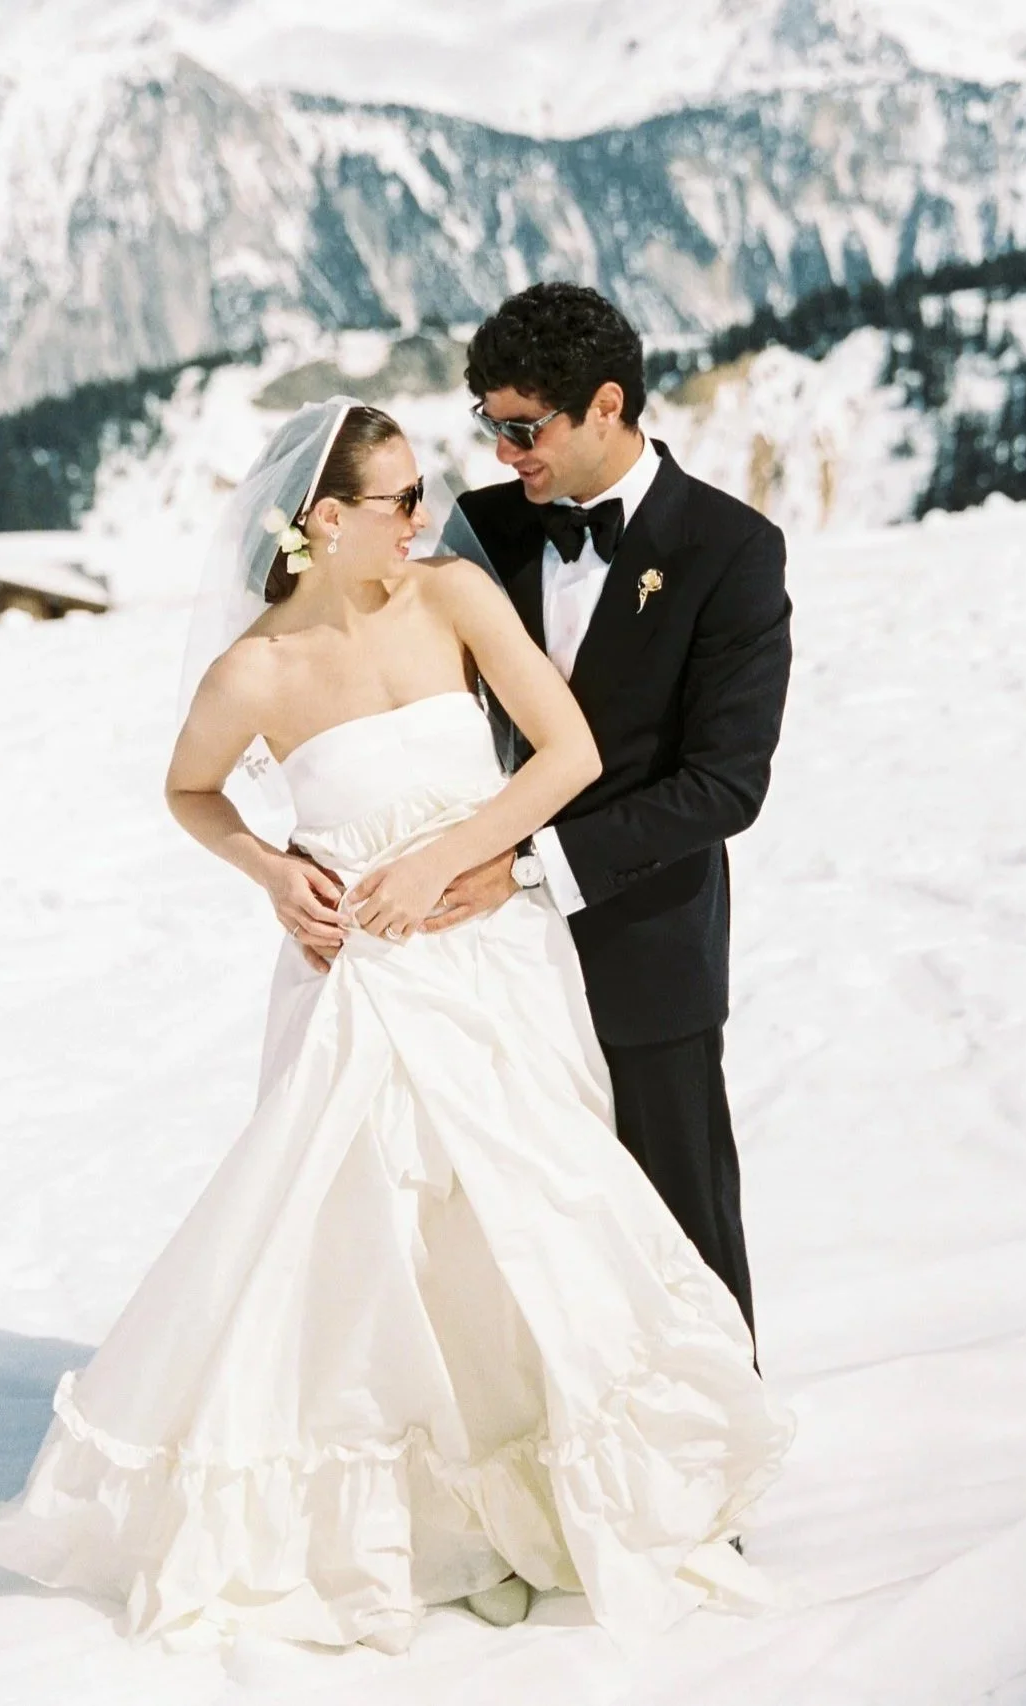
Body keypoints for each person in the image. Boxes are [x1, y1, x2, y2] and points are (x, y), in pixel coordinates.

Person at [0, 399, 792, 1656]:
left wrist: (452, 862)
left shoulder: (457, 596)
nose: (426, 516)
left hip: (490, 954)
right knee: (368, 1235)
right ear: (320, 522)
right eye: (398, 500)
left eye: (423, 493)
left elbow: (563, 753)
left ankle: (547, 1496)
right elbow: (189, 789)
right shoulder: (252, 667)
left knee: (527, 1214)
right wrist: (266, 869)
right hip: (355, 975)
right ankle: (413, 1515)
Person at [441, 283, 794, 1345]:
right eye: (489, 426)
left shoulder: (730, 549)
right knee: (521, 1219)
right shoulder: (480, 531)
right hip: (482, 951)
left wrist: (533, 863)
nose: (505, 452)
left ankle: (712, 1471)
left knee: (680, 1215)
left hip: (646, 943)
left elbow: (724, 783)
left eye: (523, 426)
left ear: (604, 404)